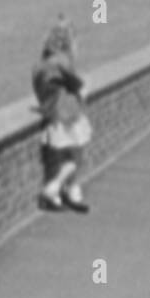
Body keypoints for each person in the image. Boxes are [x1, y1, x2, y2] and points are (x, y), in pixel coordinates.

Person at [31, 17, 93, 213]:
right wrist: (85, 87)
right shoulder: (62, 62)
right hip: (68, 114)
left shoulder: (39, 66)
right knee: (77, 157)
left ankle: (64, 192)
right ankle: (54, 188)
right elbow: (78, 86)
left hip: (52, 114)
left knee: (58, 157)